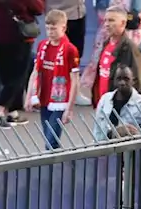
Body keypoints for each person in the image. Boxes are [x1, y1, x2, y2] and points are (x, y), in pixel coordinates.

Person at [0, 0, 45, 128]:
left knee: (7, 75)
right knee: (18, 76)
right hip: (18, 37)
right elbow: (38, 8)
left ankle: (12, 112)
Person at [25, 9, 80, 150]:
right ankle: (58, 166)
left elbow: (75, 80)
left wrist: (70, 108)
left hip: (60, 101)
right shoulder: (42, 46)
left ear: (63, 28)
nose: (50, 32)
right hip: (44, 97)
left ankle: (54, 168)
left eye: (53, 28)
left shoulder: (70, 50)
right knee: (49, 140)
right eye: (48, 28)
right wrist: (29, 97)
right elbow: (35, 72)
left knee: (51, 141)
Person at [87, 5, 141, 109]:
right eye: (105, 21)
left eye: (111, 20)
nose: (107, 24)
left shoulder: (130, 49)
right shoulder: (106, 44)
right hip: (104, 104)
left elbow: (138, 81)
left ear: (123, 23)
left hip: (119, 108)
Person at [91, 66, 141, 141]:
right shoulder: (105, 100)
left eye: (126, 79)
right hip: (108, 149)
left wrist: (133, 133)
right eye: (119, 79)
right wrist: (113, 133)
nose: (122, 83)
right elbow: (97, 131)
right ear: (114, 81)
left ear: (133, 81)